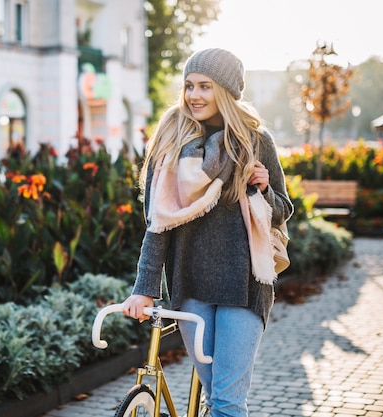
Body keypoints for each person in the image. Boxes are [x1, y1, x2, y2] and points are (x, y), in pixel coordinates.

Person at [121, 48, 294, 417]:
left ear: (227, 92)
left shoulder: (254, 140)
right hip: (190, 286)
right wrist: (144, 288)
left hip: (244, 286)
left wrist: (264, 191)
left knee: (227, 403)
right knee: (216, 395)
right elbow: (158, 223)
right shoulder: (170, 142)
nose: (194, 95)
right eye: (189, 86)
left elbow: (283, 210)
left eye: (205, 86)